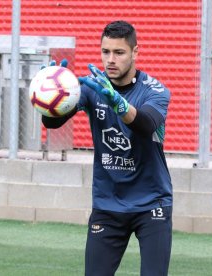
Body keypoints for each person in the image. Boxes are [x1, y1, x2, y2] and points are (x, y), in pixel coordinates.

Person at [42, 20, 172, 276]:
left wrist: (118, 103)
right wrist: (52, 96)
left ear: (135, 52)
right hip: (107, 203)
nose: (110, 60)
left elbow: (146, 125)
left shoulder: (156, 91)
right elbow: (52, 123)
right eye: (105, 52)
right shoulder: (93, 88)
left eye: (119, 52)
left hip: (151, 203)